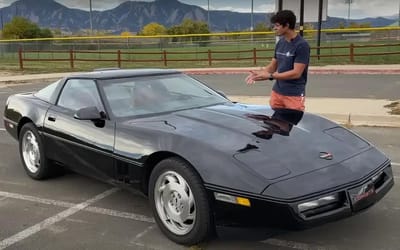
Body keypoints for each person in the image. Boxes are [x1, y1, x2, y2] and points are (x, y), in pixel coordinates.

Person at [245, 10, 310, 111]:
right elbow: (272, 67)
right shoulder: (281, 42)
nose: (274, 28)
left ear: (287, 25)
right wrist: (259, 74)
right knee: (275, 125)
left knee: (292, 125)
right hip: (277, 93)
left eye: (277, 25)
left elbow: (296, 73)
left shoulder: (301, 45)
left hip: (293, 95)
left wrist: (270, 76)